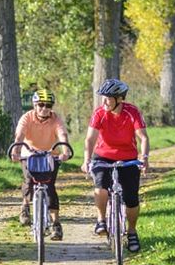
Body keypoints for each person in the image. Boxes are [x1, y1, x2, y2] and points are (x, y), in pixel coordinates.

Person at [80, 79, 149, 253]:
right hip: (102, 157)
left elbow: (143, 137)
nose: (104, 101)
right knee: (101, 187)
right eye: (103, 97)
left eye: (108, 98)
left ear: (119, 99)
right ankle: (101, 220)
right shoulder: (99, 113)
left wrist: (145, 157)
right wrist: (87, 160)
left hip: (128, 159)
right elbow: (90, 139)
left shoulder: (132, 112)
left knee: (131, 198)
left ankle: (132, 231)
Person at [10, 89, 72, 241]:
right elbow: (19, 135)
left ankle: (56, 224)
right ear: (34, 105)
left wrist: (65, 151)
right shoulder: (27, 117)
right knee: (29, 180)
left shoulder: (55, 119)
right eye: (41, 105)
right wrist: (16, 151)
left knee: (50, 186)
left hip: (50, 154)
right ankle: (25, 207)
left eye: (48, 105)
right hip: (29, 154)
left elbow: (62, 134)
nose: (44, 108)